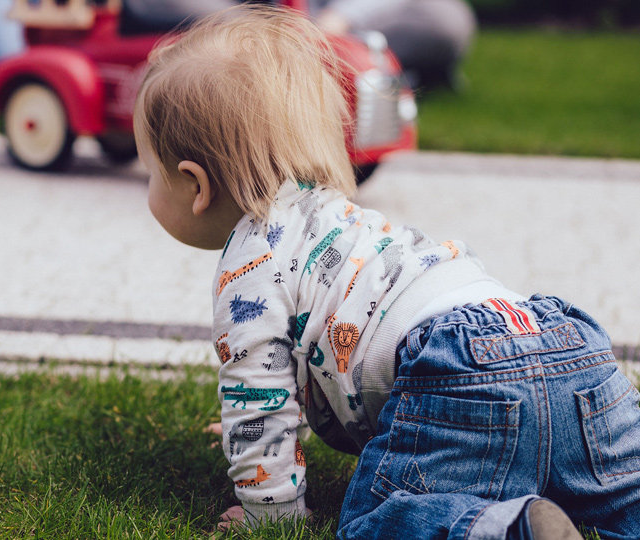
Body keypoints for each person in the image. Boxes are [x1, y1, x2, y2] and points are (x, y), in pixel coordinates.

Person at [132, 6, 640, 538]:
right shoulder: (341, 221)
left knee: (372, 523)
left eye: (150, 174)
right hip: (563, 343)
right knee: (620, 495)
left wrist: (269, 513)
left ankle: (509, 530)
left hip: (458, 371)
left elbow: (257, 398)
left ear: (195, 186)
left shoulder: (250, 265)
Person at [122, 0, 476, 89]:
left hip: (343, 17)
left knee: (447, 19)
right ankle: (258, 46)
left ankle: (354, 61)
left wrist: (341, 18)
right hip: (249, 12)